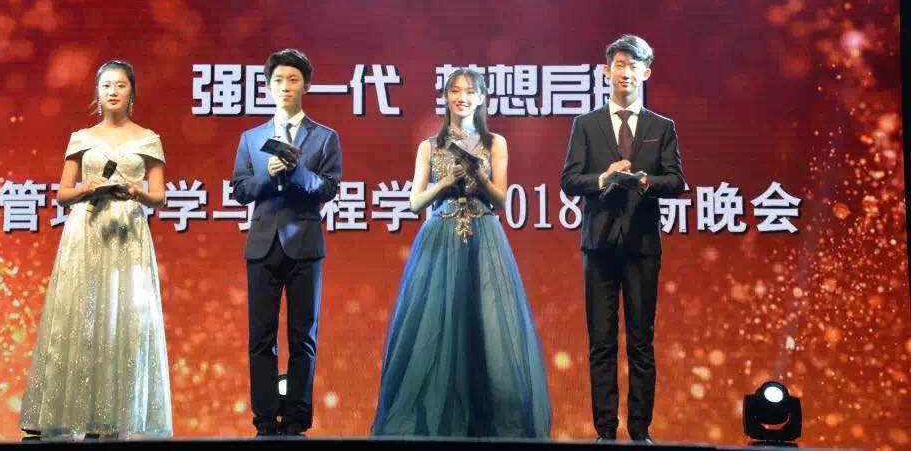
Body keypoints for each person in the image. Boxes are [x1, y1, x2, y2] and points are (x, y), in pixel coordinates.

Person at [371, 68, 551, 438]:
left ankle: (489, 422)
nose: (462, 98)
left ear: (481, 98)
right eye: (455, 91)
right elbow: (414, 202)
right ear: (446, 97)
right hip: (440, 237)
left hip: (484, 238)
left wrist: (479, 178)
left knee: (487, 326)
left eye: (470, 91)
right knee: (436, 327)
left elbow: (502, 199)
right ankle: (433, 421)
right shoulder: (429, 146)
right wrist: (445, 184)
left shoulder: (495, 142)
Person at [20, 60, 173, 439]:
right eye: (106, 86)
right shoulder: (81, 138)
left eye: (120, 85)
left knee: (123, 318)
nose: (113, 92)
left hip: (127, 233)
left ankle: (115, 419)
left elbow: (159, 196)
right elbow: (62, 194)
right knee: (81, 318)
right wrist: (87, 188)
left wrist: (136, 192)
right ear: (97, 93)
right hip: (86, 231)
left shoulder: (148, 138)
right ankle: (75, 416)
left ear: (131, 92)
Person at [560, 35, 685, 443]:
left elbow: (676, 181)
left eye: (633, 66)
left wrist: (646, 182)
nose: (625, 73)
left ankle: (640, 431)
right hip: (598, 245)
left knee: (641, 343)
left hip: (642, 246)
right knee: (601, 343)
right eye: (619, 65)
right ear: (606, 71)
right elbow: (569, 180)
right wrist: (603, 178)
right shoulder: (586, 124)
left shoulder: (661, 127)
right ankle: (605, 432)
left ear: (646, 73)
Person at [231, 49, 342, 437]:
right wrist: (268, 174)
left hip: (305, 246)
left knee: (303, 338)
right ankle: (264, 420)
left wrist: (296, 172)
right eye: (278, 80)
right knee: (261, 338)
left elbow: (328, 188)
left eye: (293, 79)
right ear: (267, 86)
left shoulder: (325, 137)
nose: (285, 87)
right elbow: (240, 190)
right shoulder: (251, 138)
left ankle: (296, 420)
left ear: (306, 85)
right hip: (262, 245)